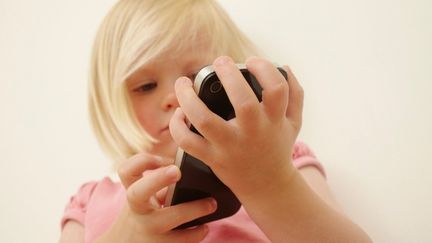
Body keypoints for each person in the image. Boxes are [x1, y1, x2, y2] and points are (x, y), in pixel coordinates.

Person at [59, 0, 372, 242]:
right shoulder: (90, 202)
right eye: (145, 86)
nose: (173, 95)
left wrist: (270, 183)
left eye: (197, 78)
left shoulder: (285, 162)